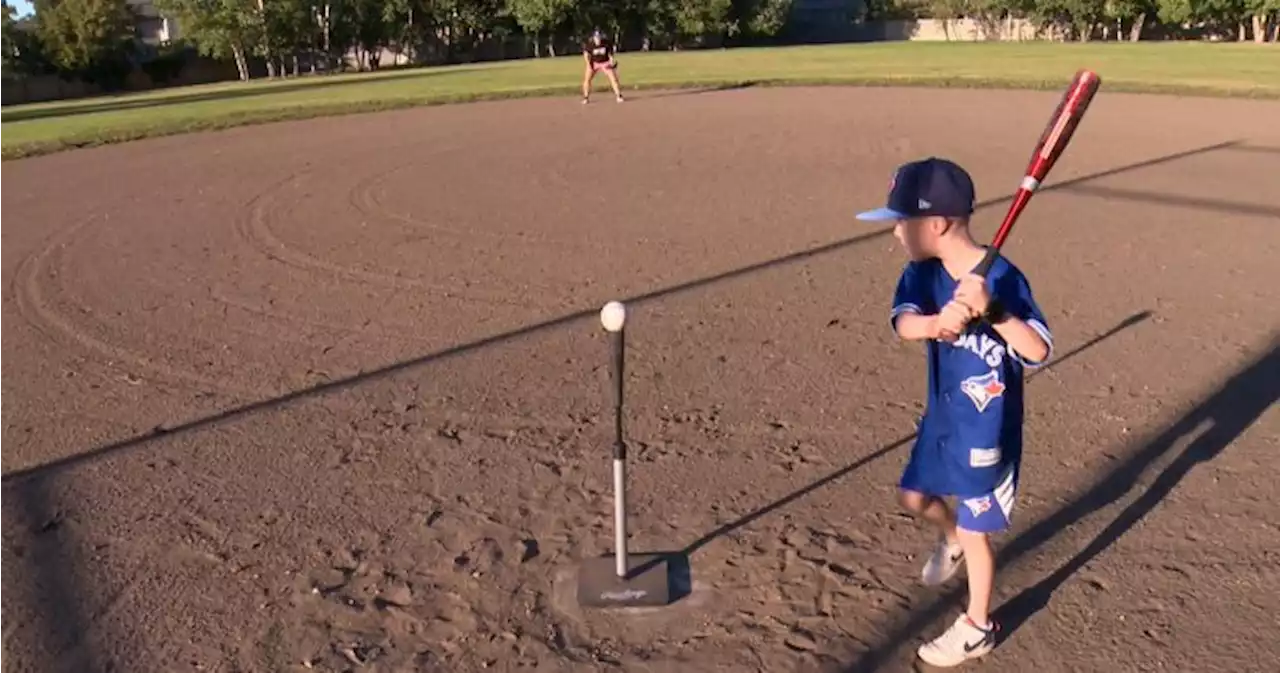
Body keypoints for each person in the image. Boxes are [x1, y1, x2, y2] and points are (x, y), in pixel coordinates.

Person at [855, 157, 1053, 668]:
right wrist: (935, 323)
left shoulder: (1003, 278)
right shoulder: (920, 274)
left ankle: (978, 626)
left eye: (902, 221)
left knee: (975, 528)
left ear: (937, 224)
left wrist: (994, 311)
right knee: (913, 495)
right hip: (942, 420)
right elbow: (903, 323)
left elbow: (1037, 351)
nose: (896, 230)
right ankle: (950, 536)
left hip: (987, 430)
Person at [581, 29, 624, 104]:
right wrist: (588, 64)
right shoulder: (590, 44)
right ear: (593, 38)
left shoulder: (606, 43)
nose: (598, 39)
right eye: (596, 37)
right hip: (593, 63)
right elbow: (586, 55)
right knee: (587, 79)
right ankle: (586, 97)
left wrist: (611, 62)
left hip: (605, 62)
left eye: (599, 37)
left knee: (613, 78)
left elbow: (610, 54)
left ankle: (619, 96)